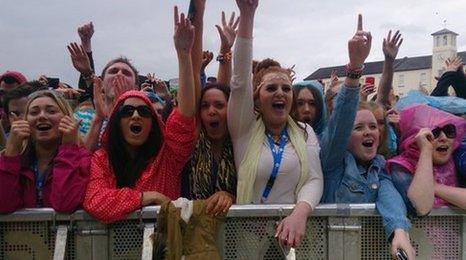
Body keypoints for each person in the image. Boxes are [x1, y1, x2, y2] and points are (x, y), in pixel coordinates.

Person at [83, 6, 197, 223]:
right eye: (127, 111)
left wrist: (184, 55)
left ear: (153, 122)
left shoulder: (169, 156)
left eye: (144, 111)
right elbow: (95, 200)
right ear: (116, 122)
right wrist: (146, 197)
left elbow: (185, 116)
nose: (135, 115)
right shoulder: (102, 159)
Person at [319, 15, 415, 259]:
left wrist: (400, 231)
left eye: (372, 126)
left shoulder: (379, 166)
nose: (369, 132)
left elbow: (389, 196)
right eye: (359, 128)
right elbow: (339, 124)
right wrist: (354, 69)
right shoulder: (333, 162)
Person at [229, 0, 323, 248]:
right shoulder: (244, 130)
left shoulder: (305, 132)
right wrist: (247, 16)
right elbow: (239, 83)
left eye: (286, 88)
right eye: (271, 88)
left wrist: (299, 214)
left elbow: (314, 179)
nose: (280, 93)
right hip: (249, 237)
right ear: (257, 99)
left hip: (292, 235)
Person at [0, 90, 90, 213]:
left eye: (51, 111)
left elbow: (64, 205)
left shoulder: (84, 158)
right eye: (34, 112)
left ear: (67, 118)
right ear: (25, 121)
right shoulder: (12, 159)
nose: (42, 116)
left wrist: (68, 148)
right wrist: (11, 152)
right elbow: (4, 206)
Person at [387, 104, 466, 213]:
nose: (443, 138)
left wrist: (436, 187)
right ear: (415, 139)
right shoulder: (401, 167)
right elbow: (420, 207)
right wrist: (426, 150)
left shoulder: (457, 158)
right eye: (434, 132)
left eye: (449, 131)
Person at [182, 84, 236, 216]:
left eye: (219, 105)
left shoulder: (240, 145)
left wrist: (230, 197)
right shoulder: (191, 145)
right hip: (194, 228)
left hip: (235, 231)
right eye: (205, 106)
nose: (211, 111)